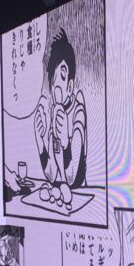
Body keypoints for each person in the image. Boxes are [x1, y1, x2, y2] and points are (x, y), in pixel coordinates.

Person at [33, 29, 87, 191]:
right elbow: (51, 174)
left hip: (81, 197)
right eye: (53, 78)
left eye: (62, 77)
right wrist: (40, 142)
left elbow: (72, 179)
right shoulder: (54, 112)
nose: (56, 85)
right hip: (61, 196)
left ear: (70, 86)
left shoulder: (78, 112)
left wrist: (65, 144)